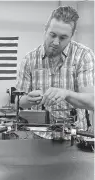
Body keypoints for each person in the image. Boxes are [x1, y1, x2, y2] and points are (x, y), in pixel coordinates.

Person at [16, 6, 94, 138]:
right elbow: (18, 102)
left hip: (76, 136)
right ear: (45, 28)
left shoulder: (83, 56)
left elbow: (92, 101)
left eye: (63, 37)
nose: (56, 42)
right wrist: (29, 99)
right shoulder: (29, 60)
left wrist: (66, 94)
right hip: (40, 137)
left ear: (72, 35)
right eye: (52, 35)